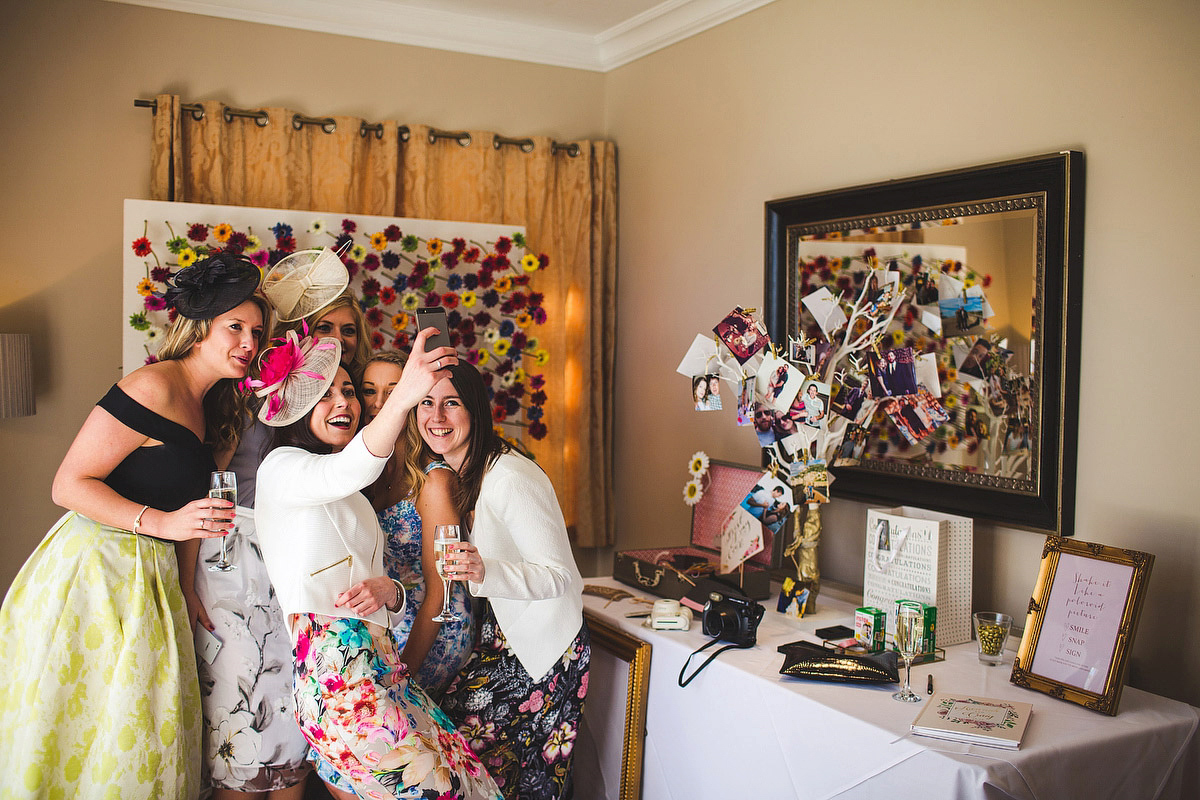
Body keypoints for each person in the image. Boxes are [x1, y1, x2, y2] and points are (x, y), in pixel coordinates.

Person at [0, 254, 265, 798]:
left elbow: (198, 511)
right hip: (97, 571)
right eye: (234, 326)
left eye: (257, 332)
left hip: (156, 577)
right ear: (199, 329)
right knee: (87, 719)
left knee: (143, 724)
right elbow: (68, 485)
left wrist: (188, 583)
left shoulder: (216, 408)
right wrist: (163, 523)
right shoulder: (152, 386)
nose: (248, 342)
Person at [254, 328, 500, 800]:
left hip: (382, 661)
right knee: (444, 792)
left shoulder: (350, 492)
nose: (343, 402)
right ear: (294, 408)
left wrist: (394, 593)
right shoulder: (283, 467)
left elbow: (379, 581)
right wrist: (408, 393)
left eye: (348, 390)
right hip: (340, 674)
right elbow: (354, 466)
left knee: (474, 785)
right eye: (325, 394)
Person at [192, 246, 357, 798]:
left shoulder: (335, 400)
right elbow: (210, 484)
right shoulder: (248, 388)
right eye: (323, 326)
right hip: (233, 552)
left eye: (345, 331)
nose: (335, 340)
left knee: (288, 697)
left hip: (294, 559)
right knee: (238, 694)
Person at [310, 351, 478, 795]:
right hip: (384, 619)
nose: (383, 401)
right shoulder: (355, 473)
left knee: (384, 750)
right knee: (339, 750)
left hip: (435, 625)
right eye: (369, 391)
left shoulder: (433, 482)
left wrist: (405, 674)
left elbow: (444, 592)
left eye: (394, 389)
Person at [431, 363, 590, 800]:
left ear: (476, 410)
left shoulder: (510, 478)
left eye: (451, 403)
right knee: (473, 767)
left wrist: (486, 571)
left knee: (508, 777)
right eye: (427, 403)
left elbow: (562, 576)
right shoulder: (466, 470)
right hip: (503, 634)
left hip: (545, 647)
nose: (436, 416)